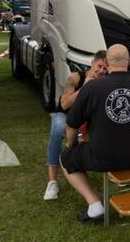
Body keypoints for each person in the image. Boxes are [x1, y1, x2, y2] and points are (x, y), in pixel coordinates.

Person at [60, 44, 130, 223]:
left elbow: (72, 124)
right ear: (129, 62)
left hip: (103, 157)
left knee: (66, 158)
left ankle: (95, 206)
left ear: (108, 63)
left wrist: (70, 145)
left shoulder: (92, 87)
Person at [43, 50, 107, 201]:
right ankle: (52, 181)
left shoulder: (104, 82)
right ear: (92, 63)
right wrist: (85, 87)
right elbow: (65, 104)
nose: (101, 71)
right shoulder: (75, 78)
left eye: (105, 68)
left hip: (86, 119)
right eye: (99, 66)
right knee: (58, 128)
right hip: (65, 115)